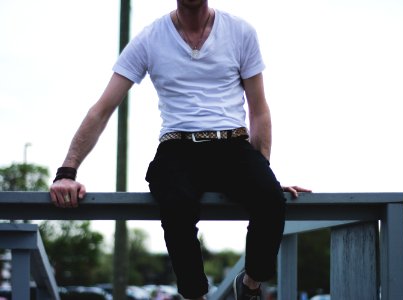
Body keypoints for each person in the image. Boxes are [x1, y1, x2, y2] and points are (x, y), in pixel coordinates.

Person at [49, 1, 311, 299]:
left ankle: (250, 285)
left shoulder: (240, 32)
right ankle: (195, 294)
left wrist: (262, 172)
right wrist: (67, 171)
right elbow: (103, 109)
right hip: (178, 147)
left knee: (271, 200)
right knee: (175, 205)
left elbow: (259, 111)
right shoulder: (150, 39)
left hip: (232, 145)